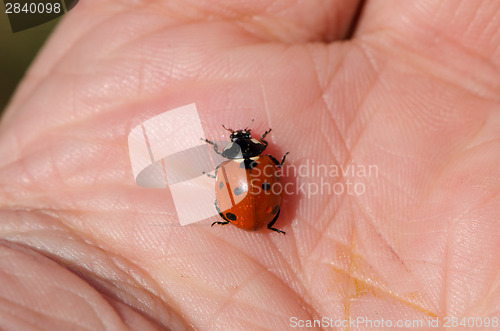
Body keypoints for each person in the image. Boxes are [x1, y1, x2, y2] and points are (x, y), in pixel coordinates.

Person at [0, 0, 499, 329]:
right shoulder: (257, 167)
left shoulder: (242, 168)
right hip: (248, 217)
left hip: (245, 217)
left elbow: (238, 180)